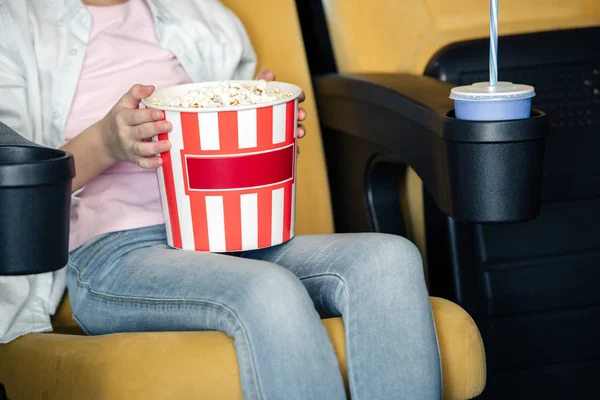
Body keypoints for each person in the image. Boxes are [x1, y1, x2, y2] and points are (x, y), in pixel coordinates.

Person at [0, 0, 442, 399]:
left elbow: (225, 157)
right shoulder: (14, 25)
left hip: (231, 236)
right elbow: (12, 185)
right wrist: (107, 143)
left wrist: (264, 131)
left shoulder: (204, 16)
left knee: (390, 258)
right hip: (115, 254)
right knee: (269, 288)